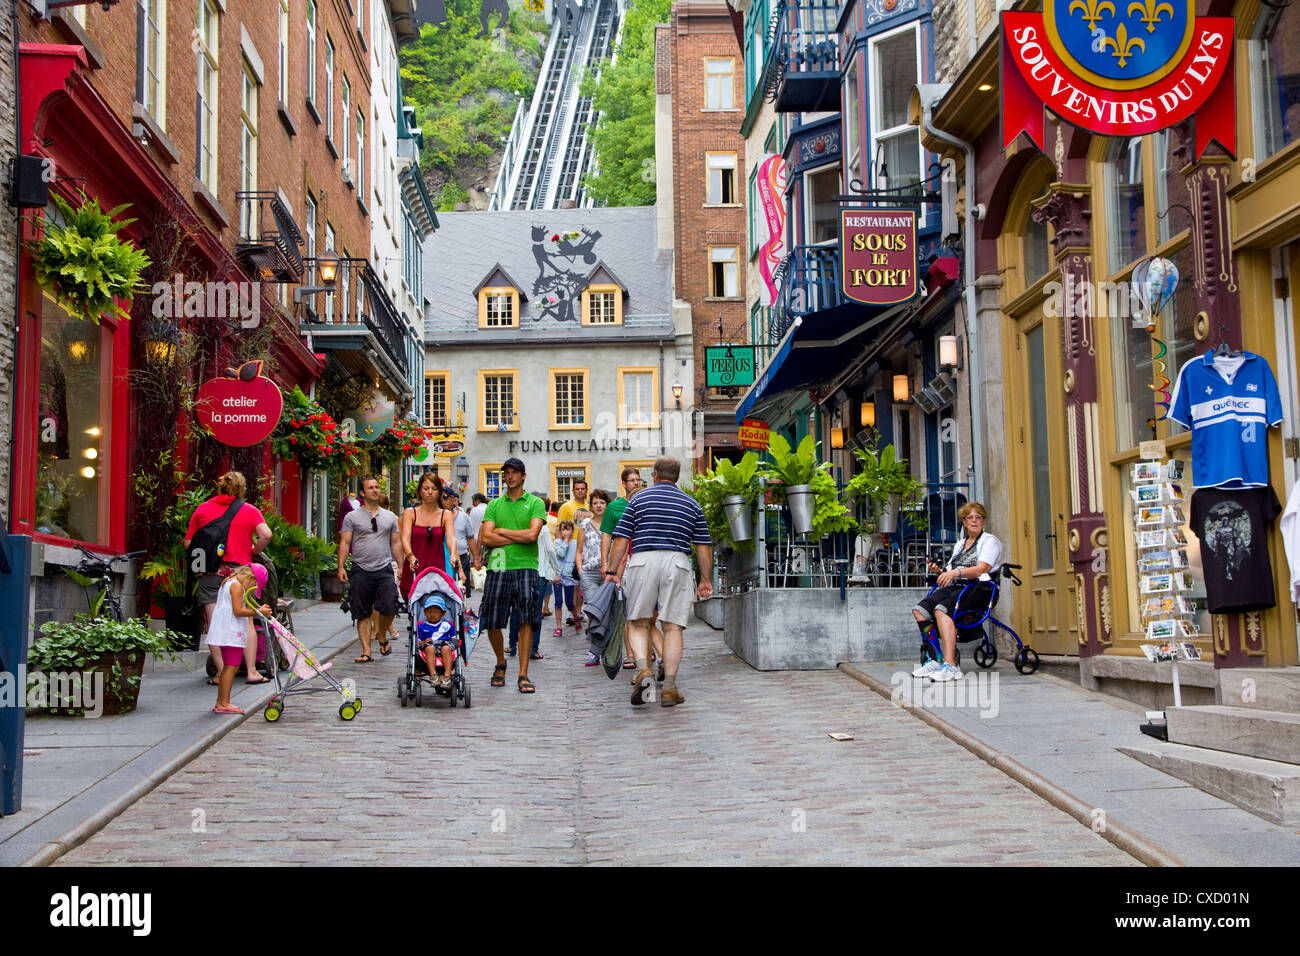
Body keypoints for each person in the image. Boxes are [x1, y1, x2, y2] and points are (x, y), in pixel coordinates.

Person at [605, 456, 713, 707]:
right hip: (677, 561)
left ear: (654, 474)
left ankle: (644, 670)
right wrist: (705, 579)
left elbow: (621, 538)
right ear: (676, 477)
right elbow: (703, 545)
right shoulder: (691, 504)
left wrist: (612, 570)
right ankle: (670, 689)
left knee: (638, 621)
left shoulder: (639, 499)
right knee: (673, 627)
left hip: (643, 560)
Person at [185, 471, 273, 685]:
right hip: (240, 573)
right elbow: (267, 534)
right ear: (242, 489)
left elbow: (189, 544)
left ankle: (222, 674)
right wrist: (253, 549)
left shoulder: (202, 509)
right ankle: (252, 671)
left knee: (215, 624)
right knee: (247, 620)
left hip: (210, 573)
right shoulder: (249, 510)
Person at [911, 502, 1002, 683]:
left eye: (978, 517)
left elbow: (982, 568)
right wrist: (939, 571)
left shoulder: (989, 541)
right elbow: (950, 572)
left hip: (981, 589)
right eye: (970, 517)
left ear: (984, 521)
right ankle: (935, 658)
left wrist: (956, 572)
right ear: (964, 521)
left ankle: (950, 665)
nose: (974, 521)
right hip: (959, 587)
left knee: (941, 610)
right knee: (920, 610)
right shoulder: (960, 545)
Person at [479, 458, 546, 693]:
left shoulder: (535, 502)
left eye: (514, 472)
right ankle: (500, 661)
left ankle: (523, 673)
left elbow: (532, 536)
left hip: (526, 565)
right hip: (498, 565)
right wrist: (518, 534)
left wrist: (502, 531)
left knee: (527, 618)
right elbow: (486, 538)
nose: (510, 477)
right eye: (506, 473)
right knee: (492, 620)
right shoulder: (494, 505)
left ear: (523, 476)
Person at [338, 476, 404, 662]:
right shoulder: (352, 517)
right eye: (370, 488)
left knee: (390, 607)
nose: (375, 490)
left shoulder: (390, 517)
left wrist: (400, 565)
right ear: (362, 493)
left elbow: (396, 542)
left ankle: (381, 635)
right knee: (362, 611)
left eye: (376, 487)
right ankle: (366, 650)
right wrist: (341, 566)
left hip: (383, 567)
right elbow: (345, 542)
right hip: (360, 567)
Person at [206, 565, 272, 715]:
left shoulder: (229, 581)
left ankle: (221, 701)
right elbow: (237, 611)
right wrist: (258, 612)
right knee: (231, 667)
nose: (252, 589)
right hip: (231, 632)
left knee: (228, 667)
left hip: (226, 631)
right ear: (250, 578)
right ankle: (224, 702)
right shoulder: (236, 586)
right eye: (254, 585)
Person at [400, 472, 460, 599]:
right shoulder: (410, 513)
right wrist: (410, 557)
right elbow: (405, 538)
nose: (430, 492)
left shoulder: (445, 515)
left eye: (434, 489)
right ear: (420, 491)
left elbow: (451, 537)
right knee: (415, 609)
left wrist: (453, 554)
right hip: (415, 565)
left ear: (439, 492)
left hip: (436, 568)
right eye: (426, 488)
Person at [509, 499, 554, 660]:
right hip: (539, 572)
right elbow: (549, 551)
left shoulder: (519, 526)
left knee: (517, 610)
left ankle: (513, 644)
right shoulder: (543, 529)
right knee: (535, 612)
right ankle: (533, 648)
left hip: (520, 571)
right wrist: (555, 572)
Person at [576, 491, 609, 665]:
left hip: (608, 573)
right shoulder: (585, 524)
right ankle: (594, 652)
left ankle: (607, 648)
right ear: (591, 506)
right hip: (589, 572)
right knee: (594, 611)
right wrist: (580, 571)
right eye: (595, 503)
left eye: (602, 502)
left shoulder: (612, 523)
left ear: (606, 505)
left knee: (608, 611)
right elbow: (579, 551)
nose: (598, 505)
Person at [445, 488, 481, 598]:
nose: (443, 501)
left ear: (453, 499)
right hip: (445, 558)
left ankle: (462, 612)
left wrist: (476, 558)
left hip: (462, 555)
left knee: (463, 589)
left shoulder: (463, 517)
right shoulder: (437, 517)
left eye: (445, 497)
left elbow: (470, 538)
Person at [416, 594, 457, 690]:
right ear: (425, 613)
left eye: (436, 612)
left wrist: (453, 643)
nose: (432, 614)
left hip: (444, 645)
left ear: (443, 613)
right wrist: (424, 642)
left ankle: (447, 676)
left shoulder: (447, 625)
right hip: (428, 647)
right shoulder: (422, 626)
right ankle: (433, 675)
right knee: (429, 648)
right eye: (429, 611)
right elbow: (418, 642)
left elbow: (454, 638)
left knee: (446, 648)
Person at [551, 520, 578, 638]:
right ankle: (558, 627)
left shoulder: (576, 543)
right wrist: (565, 541)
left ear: (572, 530)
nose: (565, 532)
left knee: (569, 603)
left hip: (569, 576)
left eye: (567, 529)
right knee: (558, 602)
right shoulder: (557, 542)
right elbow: (561, 554)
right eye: (563, 529)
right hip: (558, 576)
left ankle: (576, 617)